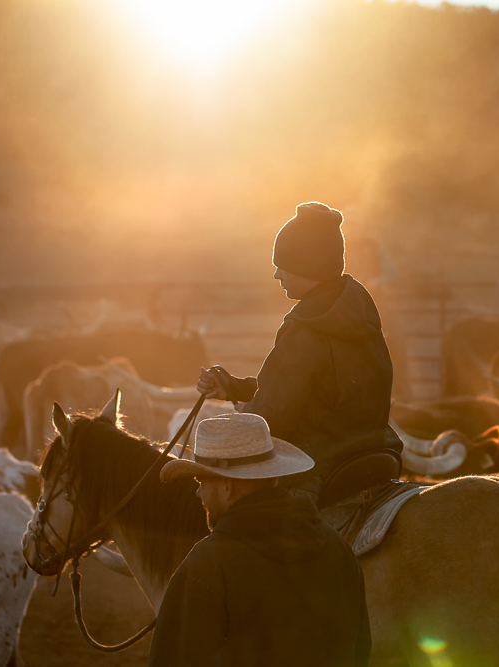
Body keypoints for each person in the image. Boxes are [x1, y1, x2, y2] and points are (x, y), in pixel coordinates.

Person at [198, 202, 401, 501]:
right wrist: (235, 388)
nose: (277, 275)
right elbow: (317, 392)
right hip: (373, 456)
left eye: (284, 265)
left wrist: (244, 412)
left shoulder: (305, 327)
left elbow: (272, 418)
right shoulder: (358, 311)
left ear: (308, 265)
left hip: (318, 467)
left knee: (247, 519)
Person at [148, 412, 372, 667]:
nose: (199, 492)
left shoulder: (208, 564)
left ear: (227, 486)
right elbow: (360, 651)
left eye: (201, 480)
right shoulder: (338, 548)